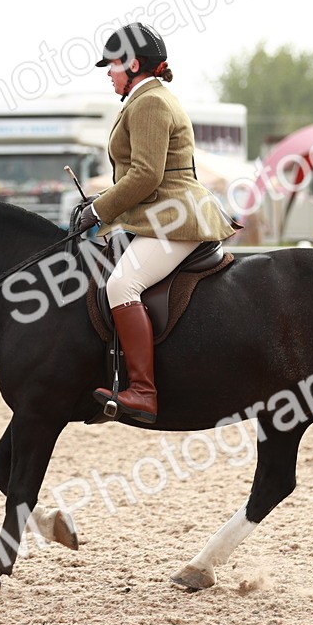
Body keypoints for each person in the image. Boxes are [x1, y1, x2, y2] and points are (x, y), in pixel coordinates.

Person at [74, 22, 240, 424]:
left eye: (112, 65)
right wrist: (102, 203)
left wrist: (99, 211)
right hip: (159, 214)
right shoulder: (143, 99)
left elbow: (146, 175)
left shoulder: (149, 102)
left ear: (132, 64)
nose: (109, 73)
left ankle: (144, 392)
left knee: (121, 285)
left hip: (175, 217)